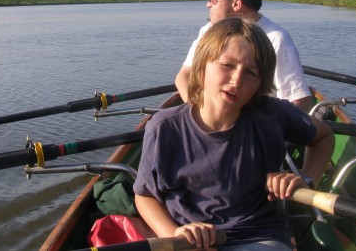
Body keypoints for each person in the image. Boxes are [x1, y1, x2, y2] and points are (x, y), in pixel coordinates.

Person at [134, 17, 334, 250]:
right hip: (190, 241)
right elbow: (145, 196)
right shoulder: (163, 128)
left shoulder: (274, 113)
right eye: (227, 65)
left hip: (259, 237)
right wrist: (175, 234)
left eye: (250, 72)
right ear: (201, 67)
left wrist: (307, 179)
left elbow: (324, 136)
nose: (237, 80)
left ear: (260, 84)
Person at [175, 0, 313, 112]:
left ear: (236, 4)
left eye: (213, 0)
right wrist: (199, 114)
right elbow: (184, 76)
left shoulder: (276, 39)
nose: (208, 4)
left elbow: (300, 103)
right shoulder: (208, 30)